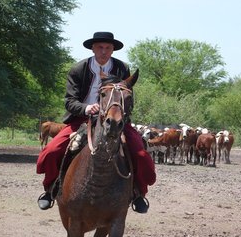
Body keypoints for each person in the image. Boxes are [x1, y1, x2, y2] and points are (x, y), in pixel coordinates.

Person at [36, 31, 156, 213]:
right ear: (92, 48)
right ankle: (50, 189)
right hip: (81, 119)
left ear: (113, 50)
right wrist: (86, 108)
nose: (103, 51)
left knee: (140, 154)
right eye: (100, 47)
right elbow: (69, 101)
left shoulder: (122, 68)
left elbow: (128, 98)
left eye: (108, 48)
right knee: (52, 151)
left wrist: (119, 114)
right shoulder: (78, 69)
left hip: (115, 120)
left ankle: (139, 193)